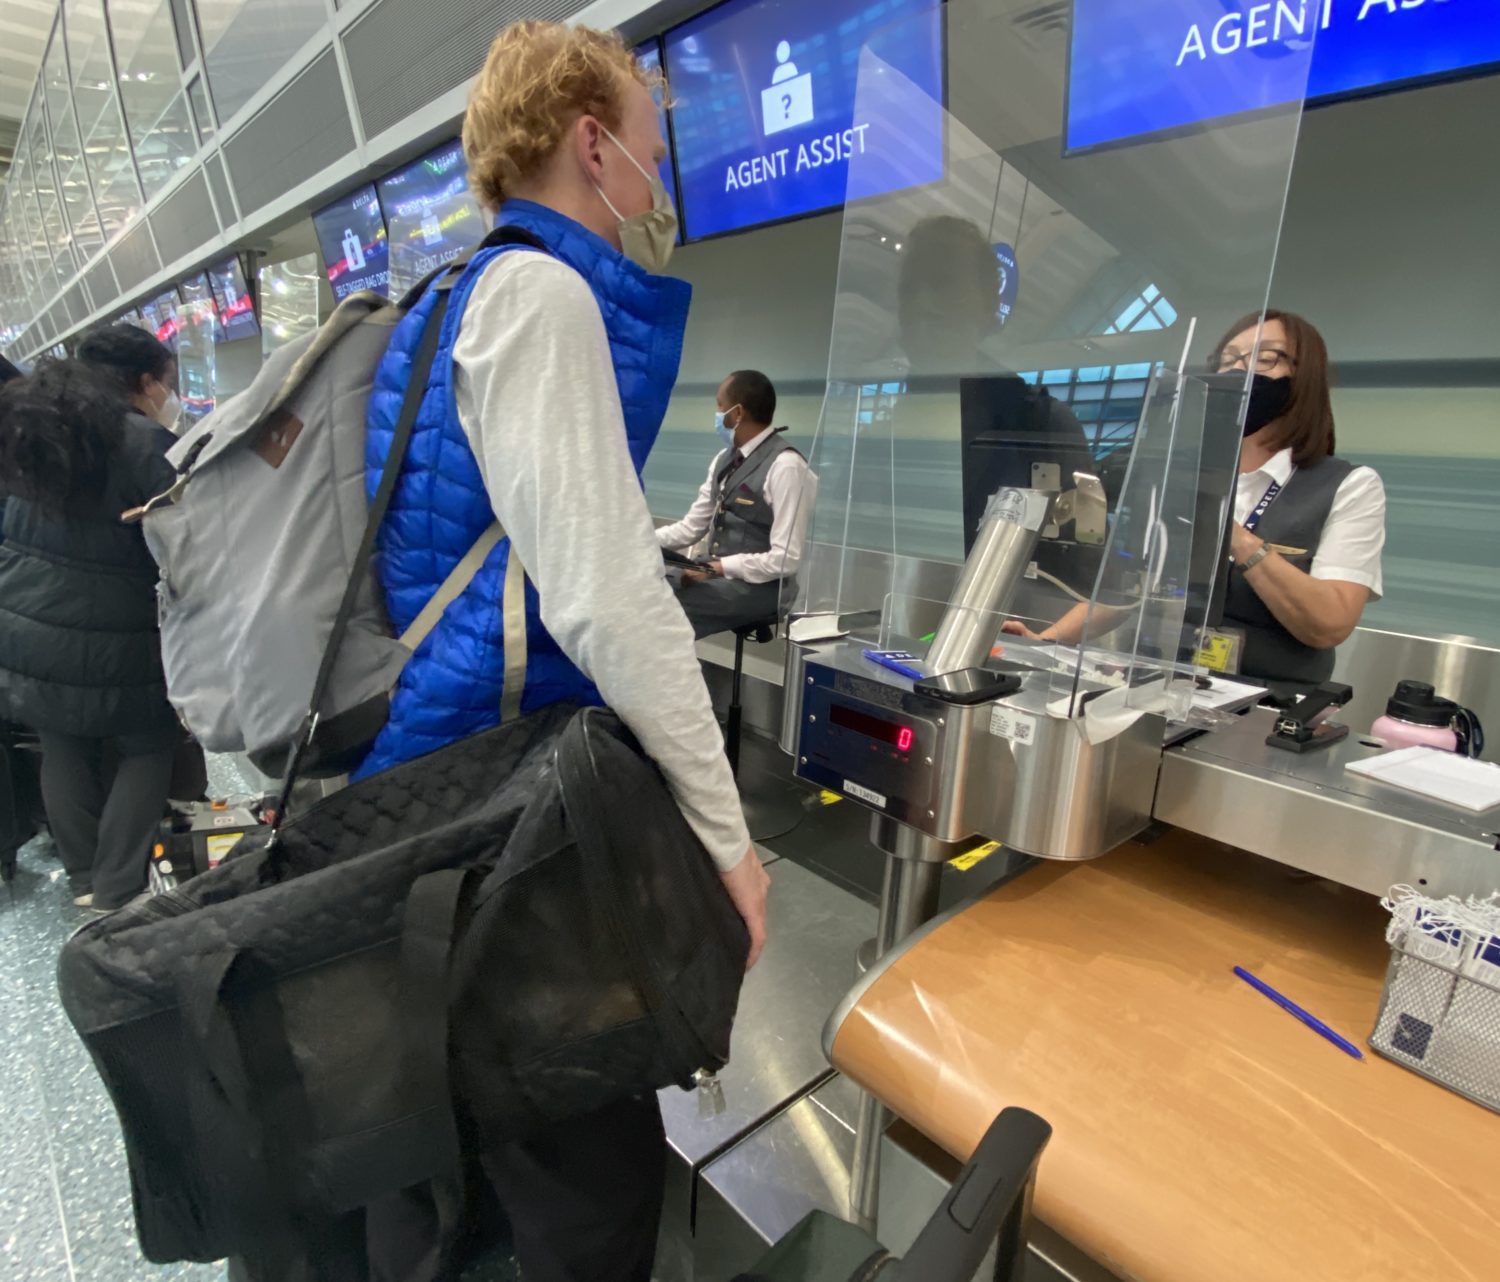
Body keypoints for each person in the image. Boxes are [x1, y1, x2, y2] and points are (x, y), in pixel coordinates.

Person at [355, 22, 769, 1282]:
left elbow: (513, 541)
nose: (660, 188)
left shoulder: (453, 296)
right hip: (499, 811)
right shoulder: (541, 296)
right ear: (593, 147)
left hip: (433, 773)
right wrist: (729, 840)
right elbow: (606, 598)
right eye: (653, 151)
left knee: (468, 1159)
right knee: (584, 1183)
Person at [1004, 310, 1386, 693]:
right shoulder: (1178, 472)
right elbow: (1130, 587)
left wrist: (1234, 535)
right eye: (1228, 360)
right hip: (1162, 687)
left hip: (1273, 704)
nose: (1240, 371)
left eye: (1264, 358)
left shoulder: (1348, 486)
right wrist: (1049, 642)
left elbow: (1330, 622)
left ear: (1305, 377)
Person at [0, 328, 182, 911]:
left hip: (28, 621)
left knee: (62, 745)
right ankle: (116, 886)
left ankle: (82, 879)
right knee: (148, 743)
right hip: (116, 624)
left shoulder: (31, 426)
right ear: (145, 381)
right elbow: (183, 530)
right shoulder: (139, 439)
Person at [657, 369, 816, 638]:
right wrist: (639, 540)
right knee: (644, 592)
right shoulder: (724, 459)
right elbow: (692, 527)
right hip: (714, 572)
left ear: (737, 413)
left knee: (662, 614)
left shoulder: (787, 467)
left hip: (763, 588)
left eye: (719, 406)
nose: (717, 415)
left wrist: (719, 568)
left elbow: (785, 560)